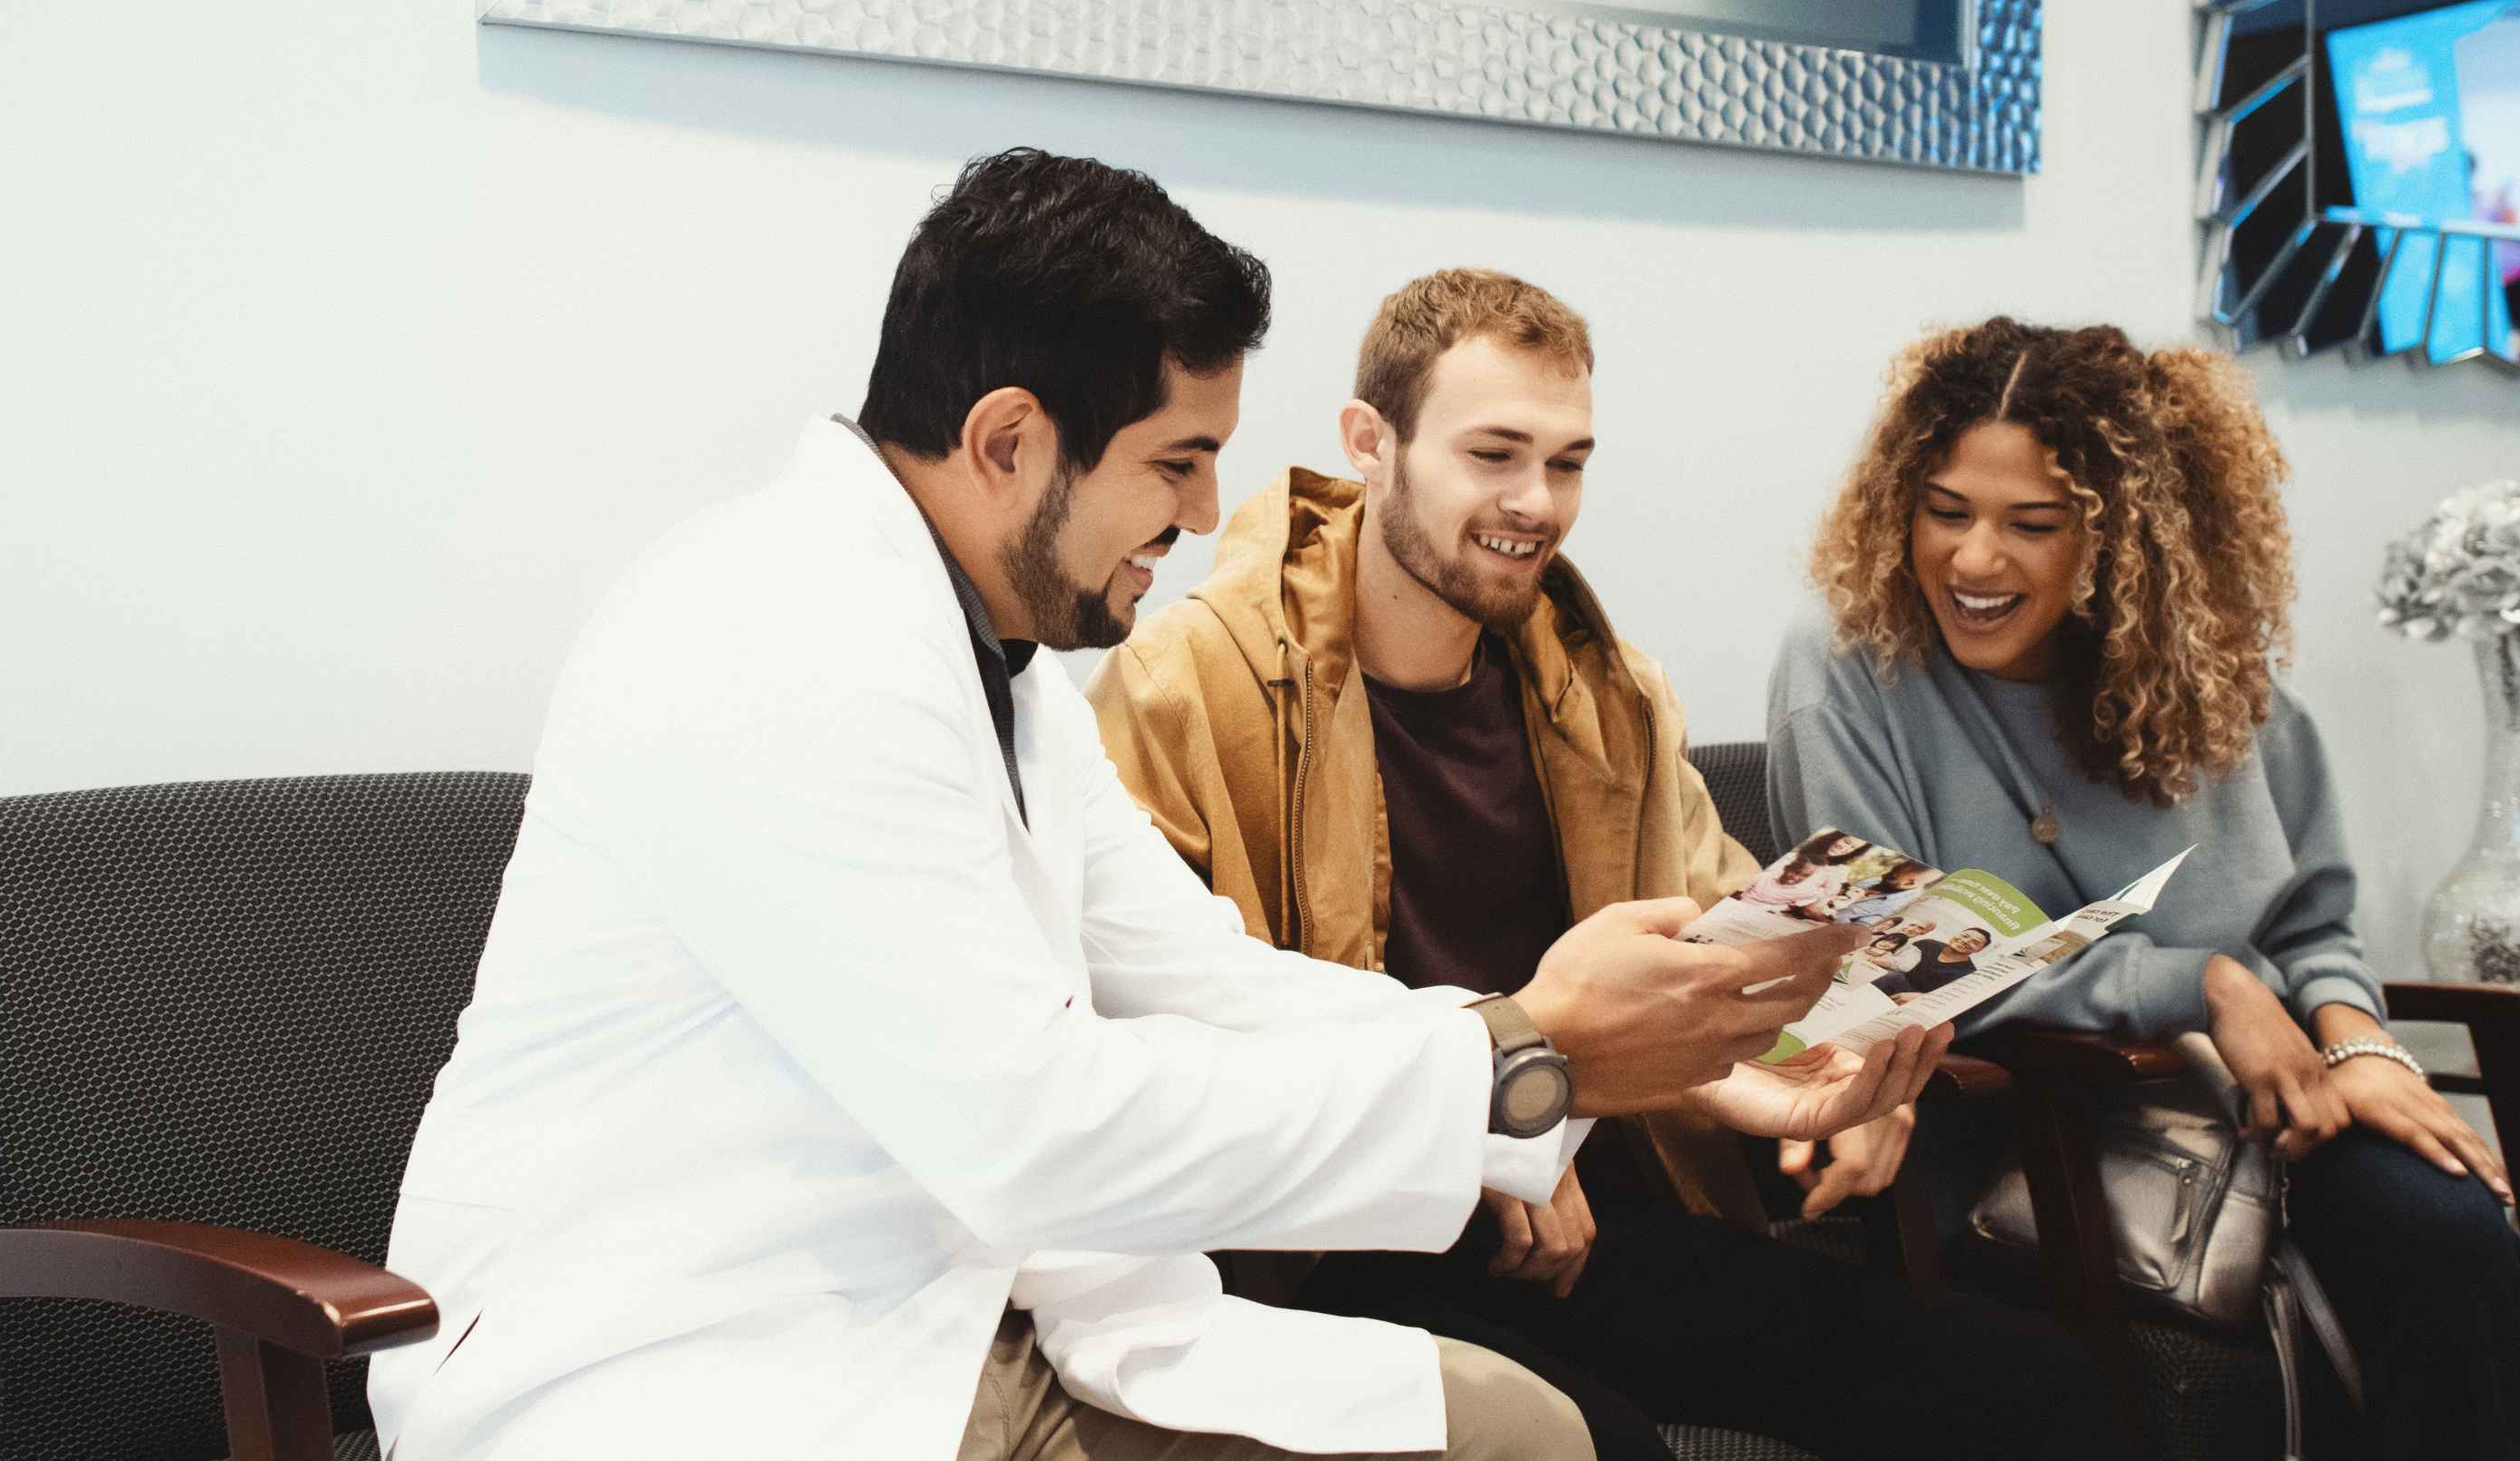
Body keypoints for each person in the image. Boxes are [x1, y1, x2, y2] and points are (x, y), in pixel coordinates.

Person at [373, 155, 1870, 1461]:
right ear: (1011, 439)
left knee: (1533, 1432)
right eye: (1177, 460)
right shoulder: (774, 640)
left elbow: (1204, 982)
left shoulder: (1004, 672)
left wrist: (1549, 1054)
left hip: (950, 1317)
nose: (1215, 511)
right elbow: (1029, 1129)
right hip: (694, 1366)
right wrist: (1525, 1061)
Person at [1088, 268, 2104, 1461]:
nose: (1537, 502)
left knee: (2043, 1391)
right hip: (1330, 1244)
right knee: (1606, 1445)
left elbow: (1715, 949)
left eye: (1566, 462)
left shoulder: (1605, 689)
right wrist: (1485, 1120)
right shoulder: (1185, 685)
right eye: (1495, 454)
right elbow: (1162, 1034)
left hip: (1594, 1219)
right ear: (1373, 442)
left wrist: (1839, 1060)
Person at [1770, 316, 2520, 1461]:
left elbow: (2312, 916)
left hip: (2259, 1099)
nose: (1975, 561)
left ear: (2119, 538)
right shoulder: (1848, 666)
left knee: (2455, 1235)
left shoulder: (2201, 659)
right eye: (1945, 510)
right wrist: (2202, 983)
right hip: (2023, 1126)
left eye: (2035, 525)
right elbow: (1894, 949)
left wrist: (2358, 1041)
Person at [1872, 925, 1993, 1002]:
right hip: (1887, 981)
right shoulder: (1927, 944)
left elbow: (1948, 999)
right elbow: (1896, 959)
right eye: (1965, 936)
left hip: (1915, 1002)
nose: (1966, 941)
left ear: (1979, 950)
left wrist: (1921, 997)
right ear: (1957, 934)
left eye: (1975, 942)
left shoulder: (1968, 973)